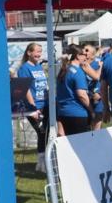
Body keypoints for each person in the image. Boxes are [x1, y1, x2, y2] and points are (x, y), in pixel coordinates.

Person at [17, 42, 49, 171]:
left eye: (40, 51)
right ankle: (41, 162)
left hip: (45, 104)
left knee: (45, 133)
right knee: (41, 132)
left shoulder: (38, 67)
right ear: (29, 53)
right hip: (34, 106)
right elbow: (26, 90)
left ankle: (43, 162)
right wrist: (33, 107)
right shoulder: (24, 68)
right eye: (36, 51)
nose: (39, 54)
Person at [56, 45, 93, 136]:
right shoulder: (77, 71)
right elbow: (82, 95)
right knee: (81, 147)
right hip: (77, 114)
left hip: (63, 113)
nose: (86, 56)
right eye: (84, 54)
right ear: (77, 56)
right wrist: (91, 110)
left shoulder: (64, 69)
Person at [81, 44, 103, 131]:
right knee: (86, 124)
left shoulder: (98, 63)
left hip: (97, 98)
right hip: (85, 97)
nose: (84, 52)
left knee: (97, 121)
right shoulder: (80, 64)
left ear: (93, 55)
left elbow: (102, 80)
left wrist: (99, 92)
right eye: (83, 50)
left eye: (87, 50)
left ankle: (97, 141)